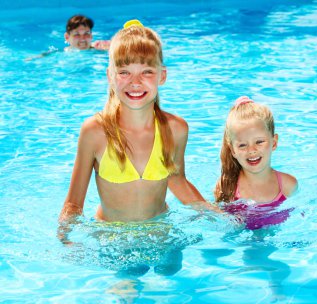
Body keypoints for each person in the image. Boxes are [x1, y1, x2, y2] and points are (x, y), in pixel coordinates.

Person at [59, 20, 216, 232]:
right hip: (113, 237)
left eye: (147, 72)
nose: (135, 82)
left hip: (160, 230)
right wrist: (66, 240)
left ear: (162, 76)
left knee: (171, 267)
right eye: (124, 72)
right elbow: (73, 204)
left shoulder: (176, 129)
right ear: (110, 76)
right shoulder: (95, 132)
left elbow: (177, 179)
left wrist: (214, 214)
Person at [214, 96, 298, 230]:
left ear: (274, 142)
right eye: (242, 145)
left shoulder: (288, 185)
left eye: (259, 142)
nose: (251, 150)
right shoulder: (227, 185)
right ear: (233, 150)